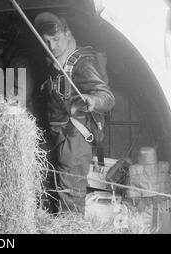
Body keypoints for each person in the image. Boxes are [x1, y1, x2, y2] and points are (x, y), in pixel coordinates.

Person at [35, 11, 115, 214]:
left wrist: (91, 100)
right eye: (47, 41)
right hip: (57, 135)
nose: (52, 46)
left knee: (70, 194)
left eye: (56, 39)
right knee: (54, 189)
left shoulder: (82, 62)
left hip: (75, 138)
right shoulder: (56, 63)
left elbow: (108, 98)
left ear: (68, 32)